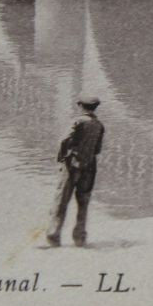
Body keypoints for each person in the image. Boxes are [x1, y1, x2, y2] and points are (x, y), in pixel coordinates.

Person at [47, 95, 105, 246]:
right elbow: (97, 149)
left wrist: (60, 158)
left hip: (72, 165)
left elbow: (64, 140)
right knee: (83, 201)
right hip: (90, 166)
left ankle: (54, 235)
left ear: (80, 106)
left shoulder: (78, 121)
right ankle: (80, 237)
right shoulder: (99, 125)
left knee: (61, 200)